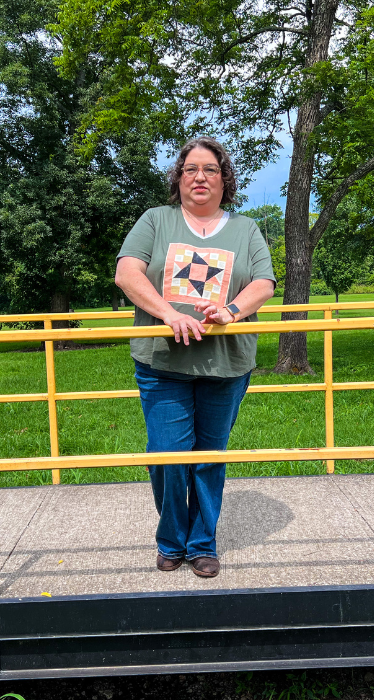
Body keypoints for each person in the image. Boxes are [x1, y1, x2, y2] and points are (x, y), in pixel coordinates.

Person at [114, 137, 276, 578]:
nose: (200, 177)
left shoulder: (246, 229)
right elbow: (127, 272)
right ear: (178, 178)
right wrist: (168, 314)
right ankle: (171, 541)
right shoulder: (155, 221)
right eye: (190, 169)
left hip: (225, 365)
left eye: (210, 169)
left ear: (225, 178)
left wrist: (230, 311)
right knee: (167, 455)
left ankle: (203, 544)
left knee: (209, 456)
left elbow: (263, 283)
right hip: (162, 362)